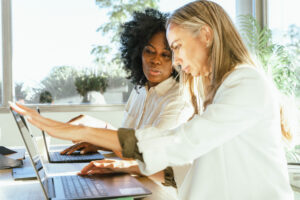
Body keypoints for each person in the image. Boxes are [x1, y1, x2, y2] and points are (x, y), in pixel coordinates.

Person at [10, 1, 294, 199]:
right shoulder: (215, 90)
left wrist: (78, 131)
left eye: (176, 48)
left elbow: (184, 142)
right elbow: (189, 167)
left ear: (206, 35)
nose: (177, 60)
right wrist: (131, 165)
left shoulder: (246, 83)